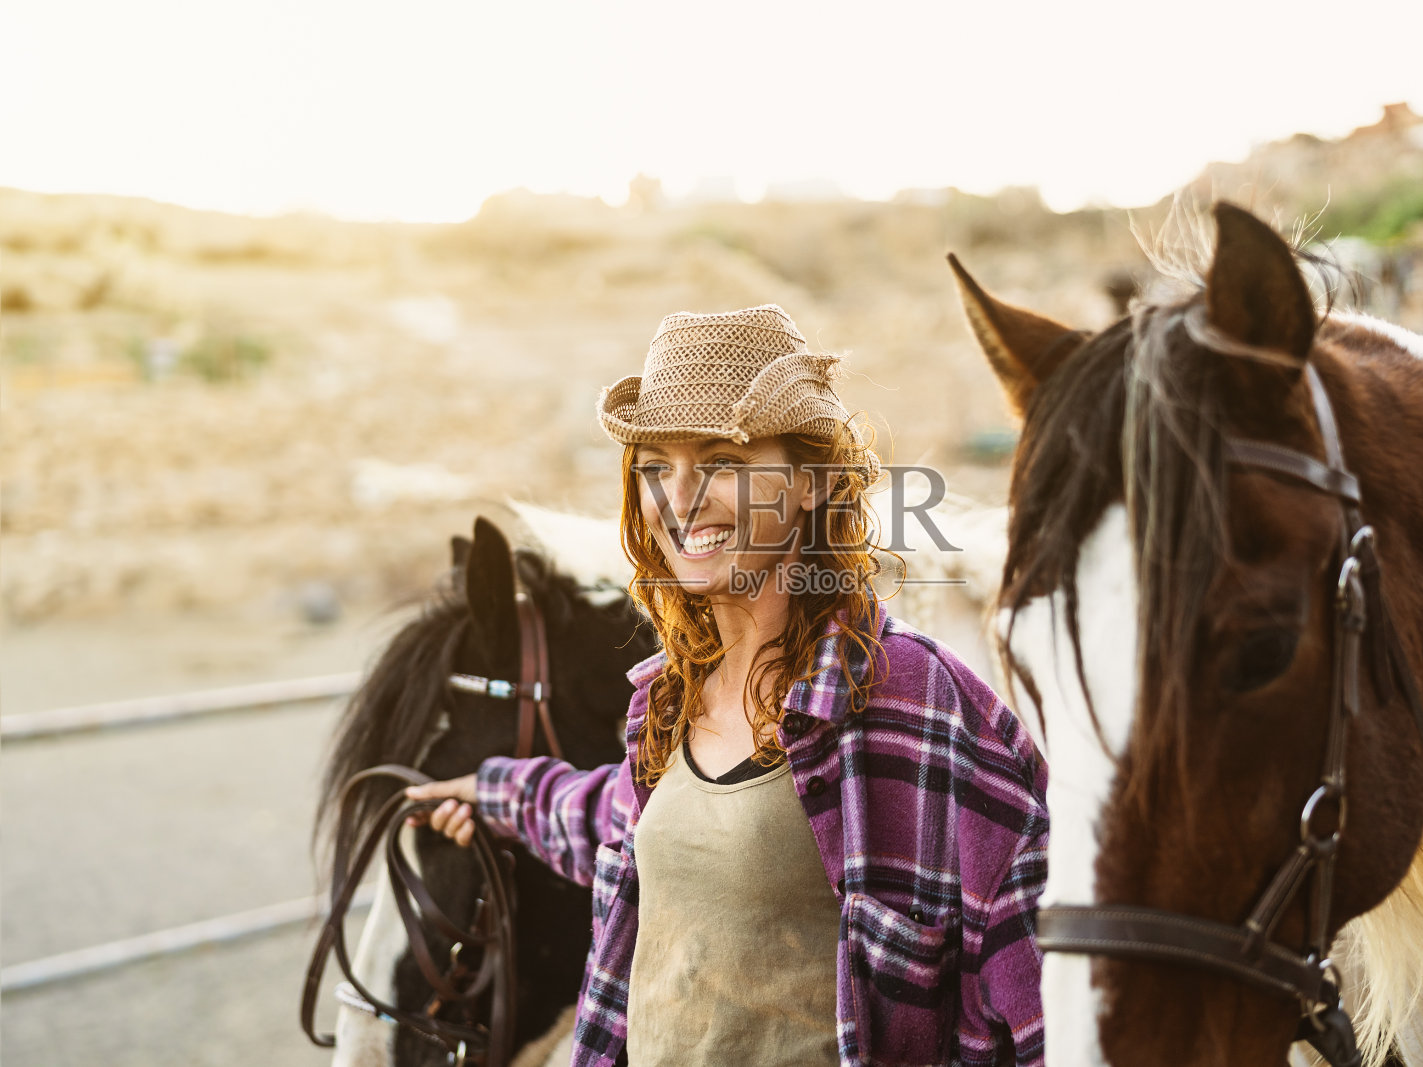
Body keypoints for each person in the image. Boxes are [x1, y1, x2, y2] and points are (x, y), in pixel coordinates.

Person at [406, 305, 1049, 1067]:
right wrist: (491, 791)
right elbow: (607, 821)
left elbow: (1042, 999)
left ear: (810, 483)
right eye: (656, 467)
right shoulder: (669, 699)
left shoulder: (916, 701)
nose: (679, 499)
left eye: (719, 459)